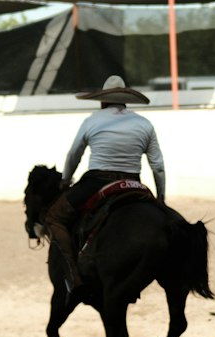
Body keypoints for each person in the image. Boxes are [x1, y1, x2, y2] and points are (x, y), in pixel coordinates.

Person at [41, 74, 166, 292]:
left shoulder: (92, 120)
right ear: (125, 100)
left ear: (102, 100)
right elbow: (158, 166)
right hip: (134, 182)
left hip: (97, 181)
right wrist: (161, 199)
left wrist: (66, 180)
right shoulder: (144, 124)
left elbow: (74, 155)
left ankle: (72, 275)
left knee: (54, 217)